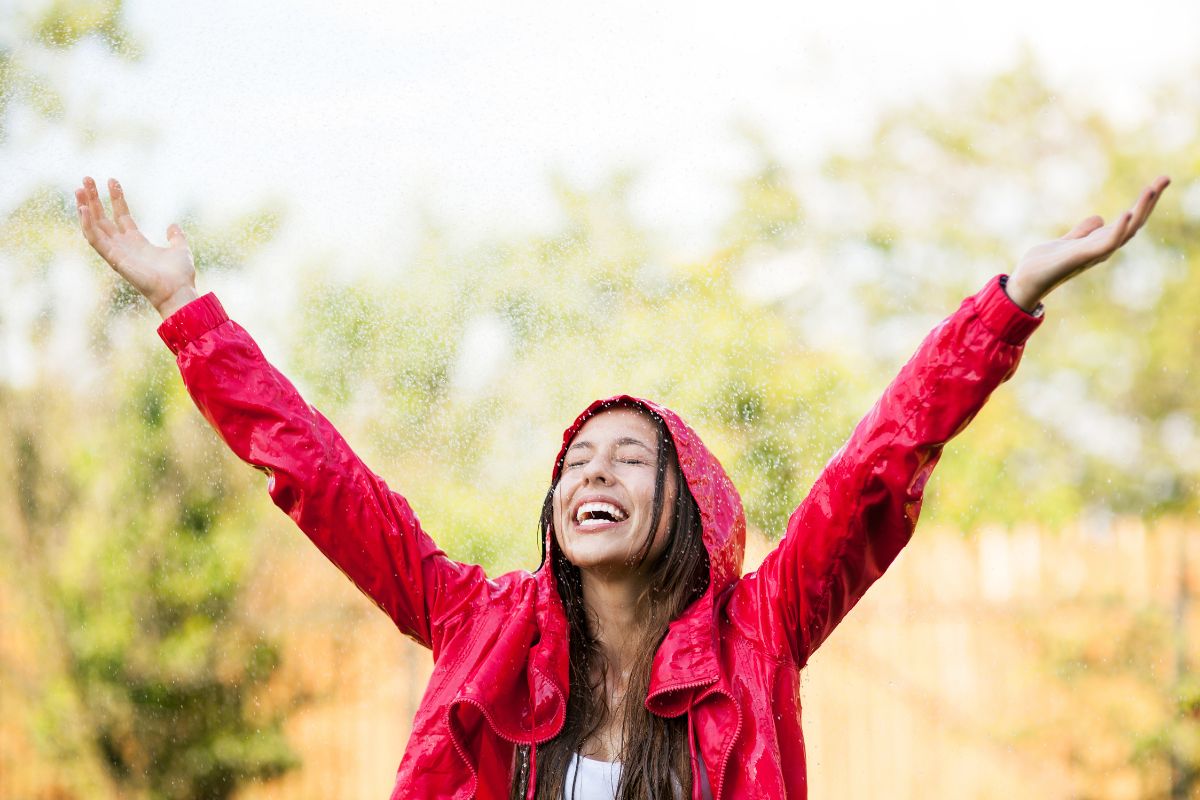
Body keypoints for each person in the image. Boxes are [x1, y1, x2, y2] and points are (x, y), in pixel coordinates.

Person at [76, 173, 1170, 799]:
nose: (589, 473)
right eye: (574, 463)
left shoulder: (764, 629)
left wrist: (1012, 296)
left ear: (688, 500)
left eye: (627, 458)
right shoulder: (477, 624)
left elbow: (881, 464)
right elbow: (318, 477)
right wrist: (189, 312)